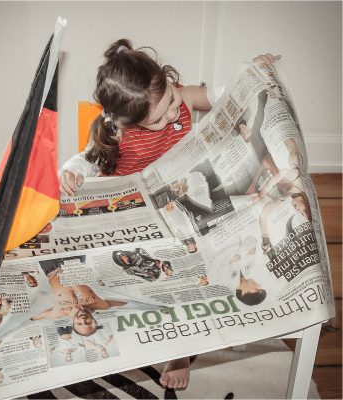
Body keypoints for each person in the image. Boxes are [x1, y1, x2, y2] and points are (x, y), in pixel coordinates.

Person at [59, 39, 280, 389]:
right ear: (127, 121)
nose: (173, 115)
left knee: (204, 259)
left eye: (172, 102)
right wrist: (72, 171)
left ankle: (181, 351)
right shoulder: (114, 131)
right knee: (132, 275)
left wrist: (252, 74)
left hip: (181, 202)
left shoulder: (184, 96)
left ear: (167, 81)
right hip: (134, 213)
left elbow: (227, 96)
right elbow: (86, 159)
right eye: (159, 119)